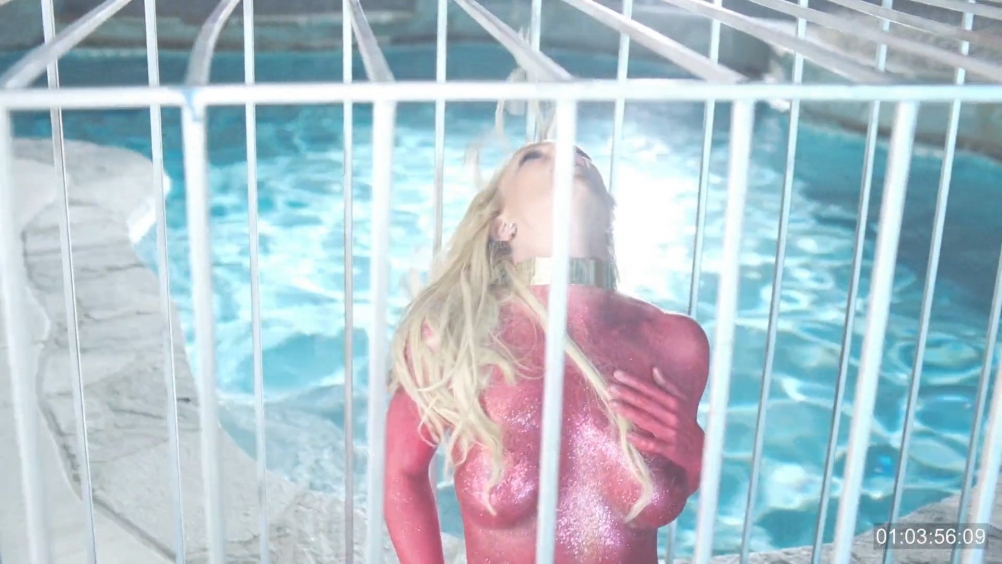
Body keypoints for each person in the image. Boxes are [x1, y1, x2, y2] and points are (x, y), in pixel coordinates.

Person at [383, 138, 709, 563]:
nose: (569, 157)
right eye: (534, 156)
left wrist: (698, 453)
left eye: (582, 156)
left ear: (609, 216)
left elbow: (684, 481)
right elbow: (402, 474)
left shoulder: (677, 343)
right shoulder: (452, 335)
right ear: (503, 225)